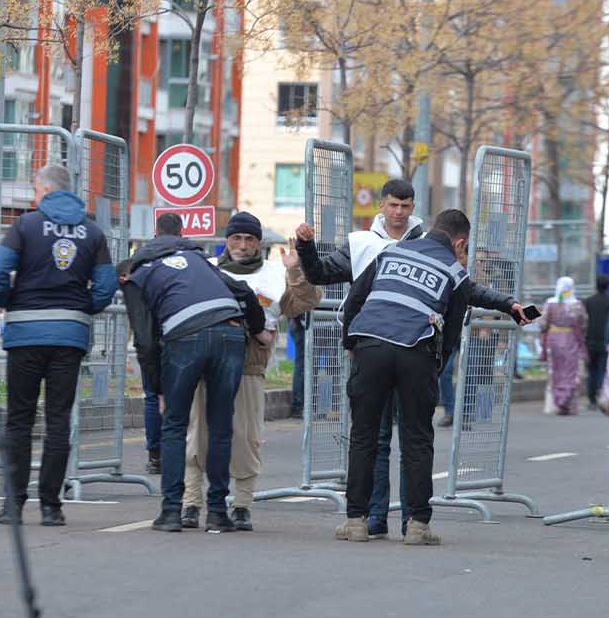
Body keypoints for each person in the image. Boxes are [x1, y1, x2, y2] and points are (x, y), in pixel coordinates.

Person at [294, 179, 524, 538]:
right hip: (415, 352)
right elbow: (452, 328)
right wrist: (436, 365)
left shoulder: (390, 253)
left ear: (421, 217)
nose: (399, 212)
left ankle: (356, 521)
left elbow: (355, 299)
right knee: (417, 439)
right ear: (459, 242)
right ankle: (417, 524)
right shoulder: (451, 269)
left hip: (371, 347)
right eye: (393, 205)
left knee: (364, 437)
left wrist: (352, 342)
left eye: (405, 206)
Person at [0, 165, 116, 527]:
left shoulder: (25, 226)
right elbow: (106, 286)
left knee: (19, 420)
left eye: (34, 190)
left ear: (44, 189)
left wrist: (7, 299)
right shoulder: (92, 232)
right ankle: (51, 506)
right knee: (59, 421)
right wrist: (82, 306)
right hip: (68, 337)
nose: (32, 197)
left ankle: (13, 504)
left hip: (24, 333)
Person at [123, 212, 265, 533]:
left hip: (186, 338)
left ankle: (172, 511)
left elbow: (145, 341)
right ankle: (217, 512)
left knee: (174, 425)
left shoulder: (137, 273)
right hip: (230, 334)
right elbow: (242, 290)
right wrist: (258, 329)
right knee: (220, 426)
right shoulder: (198, 259)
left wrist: (157, 388)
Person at [181, 212, 320, 530]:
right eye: (236, 238)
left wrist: (296, 271)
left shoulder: (275, 274)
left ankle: (242, 505)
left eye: (249, 239)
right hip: (206, 364)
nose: (243, 245)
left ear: (259, 243)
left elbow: (307, 302)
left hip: (248, 366)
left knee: (245, 438)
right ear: (226, 241)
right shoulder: (208, 271)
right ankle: (191, 502)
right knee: (198, 435)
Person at [540, 277, 588, 415]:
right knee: (571, 372)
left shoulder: (550, 303)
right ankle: (569, 404)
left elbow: (543, 324)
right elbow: (584, 323)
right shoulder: (577, 304)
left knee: (554, 371)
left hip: (553, 340)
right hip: (572, 339)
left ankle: (553, 405)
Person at [582, 274, 609, 408]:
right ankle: (602, 396)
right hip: (605, 340)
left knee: (591, 370)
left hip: (590, 340)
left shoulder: (588, 301)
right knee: (603, 369)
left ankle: (591, 399)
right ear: (608, 286)